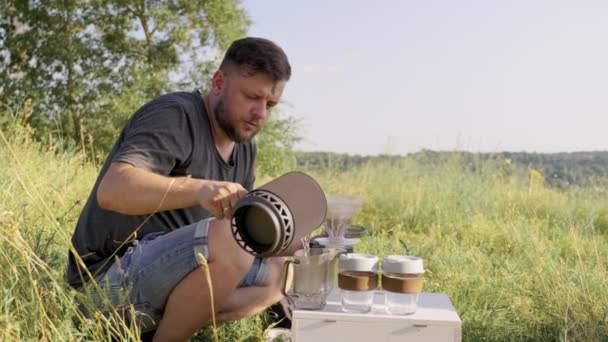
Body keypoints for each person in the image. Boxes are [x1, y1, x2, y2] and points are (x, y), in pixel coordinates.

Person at [67, 37, 292, 341]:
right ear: (219, 82)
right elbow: (112, 189)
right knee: (230, 243)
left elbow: (240, 230)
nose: (261, 113)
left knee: (285, 266)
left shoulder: (245, 146)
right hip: (103, 285)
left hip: (171, 271)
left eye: (270, 104)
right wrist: (199, 189)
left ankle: (181, 318)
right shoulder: (175, 115)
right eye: (252, 96)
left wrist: (292, 243)